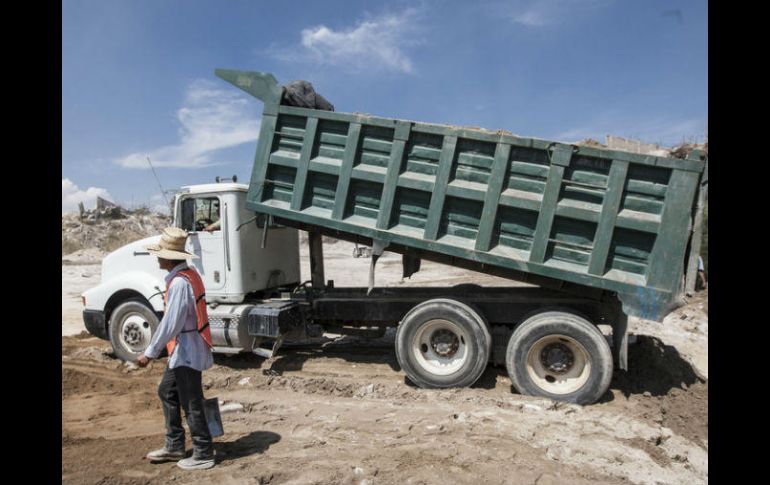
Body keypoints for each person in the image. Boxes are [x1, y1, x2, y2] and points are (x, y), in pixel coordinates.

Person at [136, 227, 216, 470]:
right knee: (167, 391)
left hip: (187, 351)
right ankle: (175, 446)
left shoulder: (180, 283)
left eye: (160, 254)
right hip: (184, 349)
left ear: (170, 258)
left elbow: (171, 323)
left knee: (191, 401)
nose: (157, 258)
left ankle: (203, 452)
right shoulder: (188, 275)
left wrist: (149, 352)